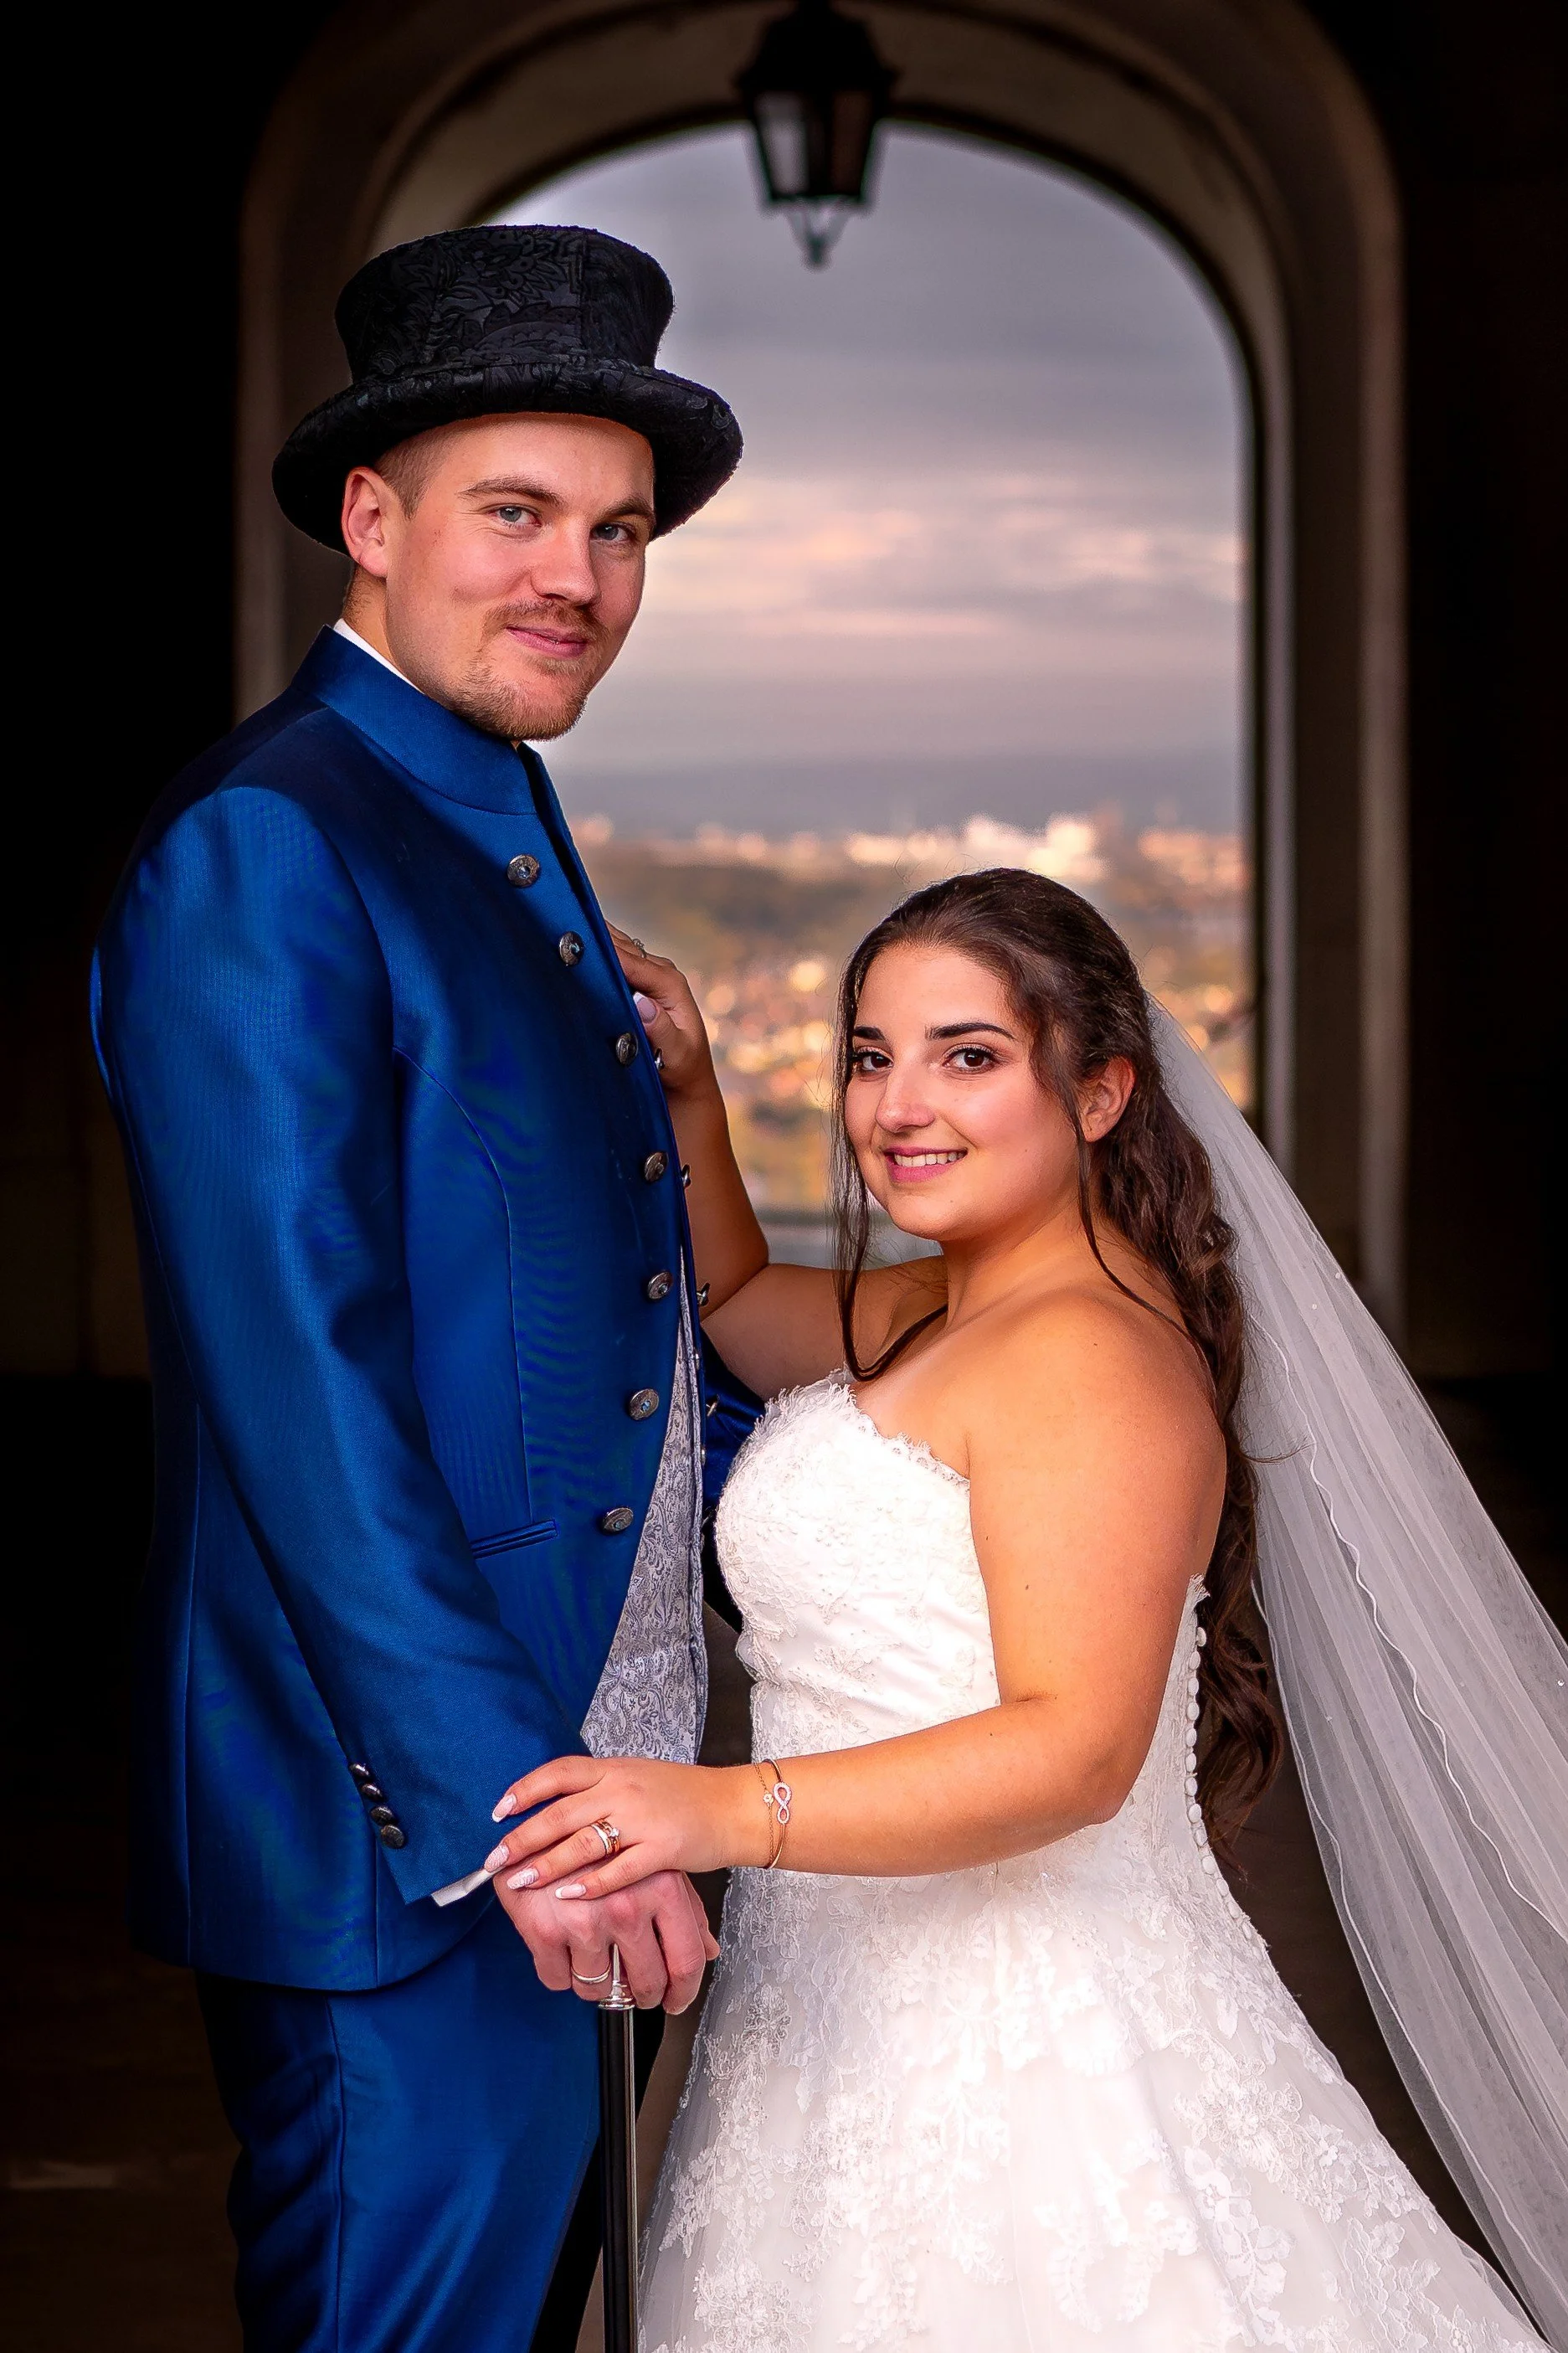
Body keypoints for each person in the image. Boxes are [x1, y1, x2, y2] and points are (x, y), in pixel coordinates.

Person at [490, 869, 1566, 2349]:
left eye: (969, 1054)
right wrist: (691, 1095)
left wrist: (715, 1809)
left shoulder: (1090, 1361)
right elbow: (732, 1299)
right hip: (840, 2026)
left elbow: (1076, 1749)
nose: (898, 1105)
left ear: (1105, 1090)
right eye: (872, 1054)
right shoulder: (954, 1305)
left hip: (1032, 2054)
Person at [90, 224, 746, 2353]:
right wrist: (519, 1825)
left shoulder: (494, 810)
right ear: (372, 524)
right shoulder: (271, 844)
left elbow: (590, 1326)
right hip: (429, 1847)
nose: (578, 575)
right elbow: (307, 1389)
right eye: (519, 514)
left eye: (620, 531)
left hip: (590, 1793)